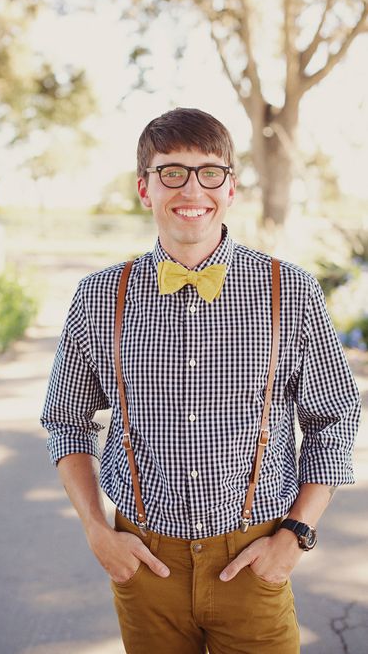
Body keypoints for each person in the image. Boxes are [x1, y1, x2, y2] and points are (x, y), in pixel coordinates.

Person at [40, 107, 360, 654]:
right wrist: (98, 531)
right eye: (172, 172)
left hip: (254, 559)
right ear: (145, 188)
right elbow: (66, 422)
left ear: (231, 188)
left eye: (210, 171)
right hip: (143, 563)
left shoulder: (291, 290)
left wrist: (295, 535)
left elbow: (334, 418)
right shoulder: (98, 297)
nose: (193, 188)